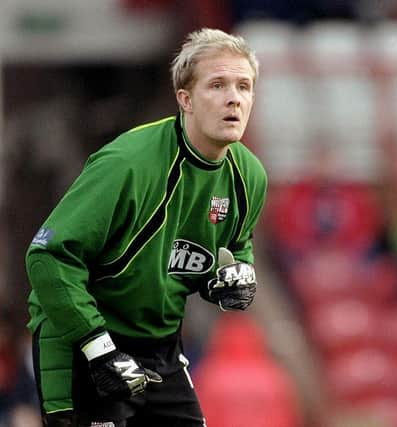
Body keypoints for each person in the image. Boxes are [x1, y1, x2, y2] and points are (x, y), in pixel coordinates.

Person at [24, 27, 267, 427]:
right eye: (218, 84)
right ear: (185, 99)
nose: (233, 98)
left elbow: (234, 245)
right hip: (84, 339)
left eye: (244, 86)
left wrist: (234, 275)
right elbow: (47, 256)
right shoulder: (127, 164)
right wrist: (98, 348)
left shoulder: (250, 176)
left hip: (161, 348)